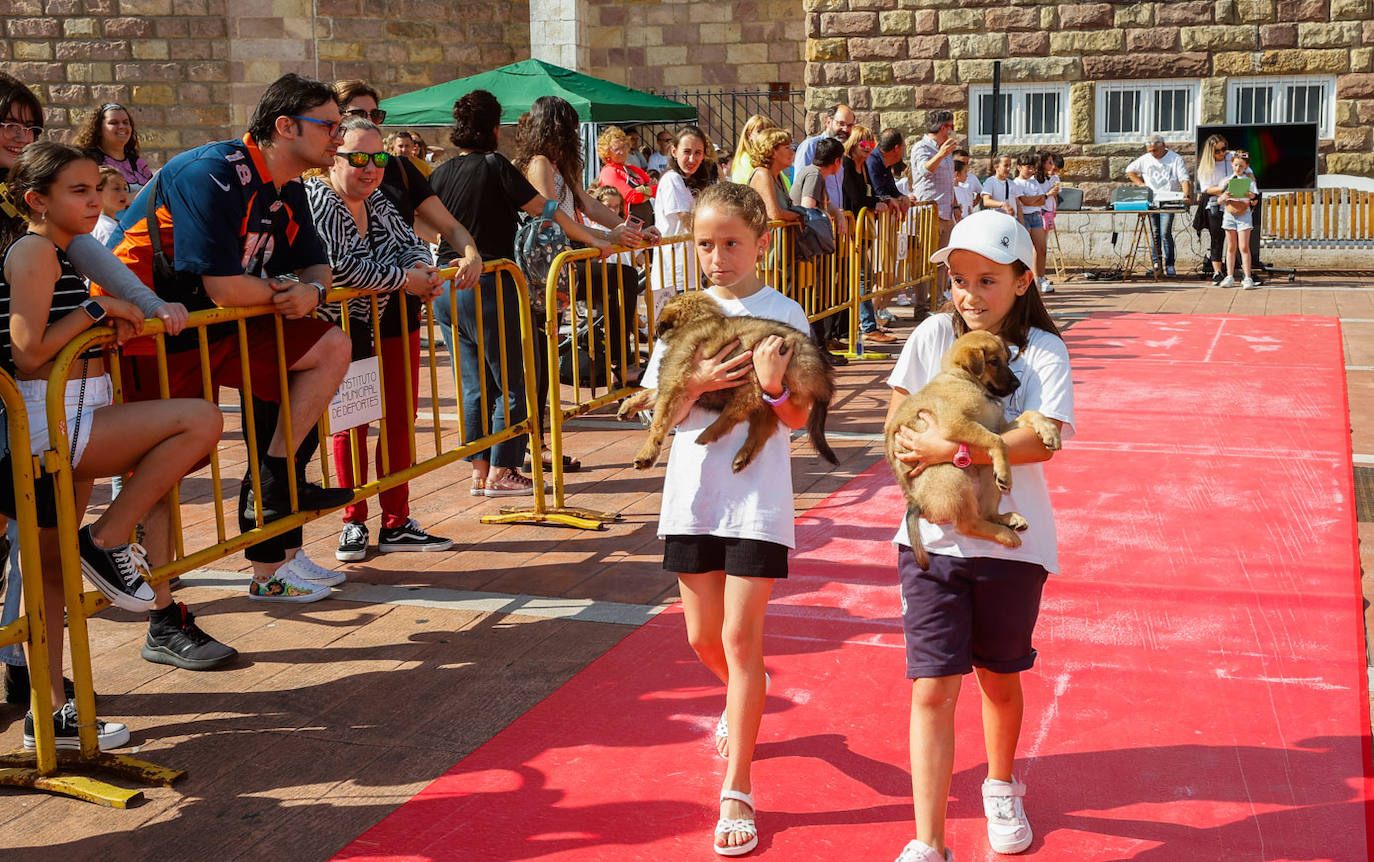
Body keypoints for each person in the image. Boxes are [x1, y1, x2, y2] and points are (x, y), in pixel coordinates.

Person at [109, 72, 356, 613]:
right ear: (285, 126)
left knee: (331, 347)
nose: (339, 138)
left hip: (222, 318)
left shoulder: (289, 184)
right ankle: (157, 604)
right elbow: (222, 286)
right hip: (152, 326)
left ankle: (269, 483)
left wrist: (310, 290)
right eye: (330, 126)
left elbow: (318, 267)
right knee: (164, 466)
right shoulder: (213, 172)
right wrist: (292, 292)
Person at [3, 142, 222, 749]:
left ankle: (51, 716)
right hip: (53, 425)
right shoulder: (34, 252)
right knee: (200, 420)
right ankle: (106, 540)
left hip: (68, 419)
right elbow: (27, 352)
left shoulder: (62, 250)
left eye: (93, 187)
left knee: (48, 576)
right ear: (36, 201)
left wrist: (109, 317)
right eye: (77, 190)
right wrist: (98, 312)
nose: (94, 198)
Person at [886, 209, 1074, 862]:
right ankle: (927, 839)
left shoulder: (1045, 351)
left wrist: (956, 450)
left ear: (1024, 280)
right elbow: (902, 426)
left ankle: (1000, 785)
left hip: (1012, 547)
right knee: (933, 687)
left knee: (999, 676)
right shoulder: (934, 336)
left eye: (987, 280)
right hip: (933, 543)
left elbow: (1041, 441)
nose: (969, 295)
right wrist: (927, 454)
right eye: (959, 280)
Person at [635, 181, 817, 856]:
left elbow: (797, 416)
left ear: (761, 243)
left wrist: (770, 386)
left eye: (731, 243)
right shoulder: (683, 313)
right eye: (705, 244)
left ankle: (737, 788)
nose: (717, 257)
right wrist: (697, 383)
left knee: (741, 642)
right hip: (693, 498)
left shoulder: (785, 314)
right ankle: (752, 694)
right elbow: (662, 408)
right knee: (702, 642)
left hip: (757, 500)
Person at [427, 90, 616, 496]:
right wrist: (594, 239)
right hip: (491, 283)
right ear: (495, 128)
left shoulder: (440, 173)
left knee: (475, 386)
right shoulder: (495, 166)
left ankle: (480, 472)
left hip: (447, 285)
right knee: (514, 383)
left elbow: (424, 228)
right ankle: (503, 471)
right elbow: (547, 211)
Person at [305, 117, 455, 563]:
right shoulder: (320, 199)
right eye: (359, 159)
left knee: (394, 419)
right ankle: (352, 521)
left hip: (375, 326)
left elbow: (409, 243)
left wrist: (422, 272)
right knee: (350, 424)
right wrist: (405, 280)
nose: (371, 169)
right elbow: (341, 268)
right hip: (332, 336)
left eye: (378, 158)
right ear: (334, 158)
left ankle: (395, 520)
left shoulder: (378, 199)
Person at [513, 96, 652, 457]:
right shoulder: (540, 163)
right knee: (538, 355)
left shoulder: (560, 164)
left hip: (565, 261)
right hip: (545, 266)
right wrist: (603, 237)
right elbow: (550, 216)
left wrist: (625, 229)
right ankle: (535, 442)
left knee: (620, 279)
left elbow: (587, 205)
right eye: (569, 127)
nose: (574, 134)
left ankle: (622, 363)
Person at [649, 125, 716, 315]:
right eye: (687, 152)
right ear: (674, 151)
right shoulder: (672, 179)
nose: (692, 159)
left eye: (698, 153)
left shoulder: (690, 181)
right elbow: (687, 219)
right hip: (674, 272)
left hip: (690, 270)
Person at [1125, 133, 1192, 277]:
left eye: (1154, 150)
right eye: (1149, 150)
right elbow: (1129, 170)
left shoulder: (1175, 159)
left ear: (1163, 146)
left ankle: (1170, 265)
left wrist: (1186, 196)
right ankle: (1157, 265)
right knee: (1155, 233)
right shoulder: (1145, 159)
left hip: (1169, 201)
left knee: (1164, 233)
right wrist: (1141, 184)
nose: (1152, 153)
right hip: (1151, 202)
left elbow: (1184, 179)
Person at [909, 110, 959, 297]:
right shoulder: (921, 147)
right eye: (951, 127)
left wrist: (955, 206)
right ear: (943, 127)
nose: (951, 132)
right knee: (925, 260)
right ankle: (922, 304)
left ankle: (937, 299)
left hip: (946, 212)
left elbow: (948, 182)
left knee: (942, 261)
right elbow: (924, 171)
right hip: (928, 213)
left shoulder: (944, 150)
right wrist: (941, 154)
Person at [71, 103, 154, 198]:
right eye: (114, 123)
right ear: (98, 129)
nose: (122, 126)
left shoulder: (138, 163)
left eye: (126, 122)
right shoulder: (89, 162)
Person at [792, 104, 855, 210]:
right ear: (828, 122)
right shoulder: (810, 146)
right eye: (841, 123)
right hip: (816, 220)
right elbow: (800, 185)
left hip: (832, 220)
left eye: (849, 125)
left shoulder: (841, 151)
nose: (845, 129)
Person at [1195, 134, 1235, 285]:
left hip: (1235, 203)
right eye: (1217, 151)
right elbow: (1206, 189)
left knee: (1235, 240)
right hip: (1215, 204)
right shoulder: (1205, 165)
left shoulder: (1231, 157)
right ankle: (1217, 272)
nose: (1221, 153)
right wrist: (1222, 189)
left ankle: (1239, 270)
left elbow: (1246, 171)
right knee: (1217, 238)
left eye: (1224, 149)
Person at [1217, 149, 1260, 290]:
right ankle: (1229, 276)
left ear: (1246, 166)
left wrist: (1251, 196)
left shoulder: (1250, 182)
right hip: (1229, 214)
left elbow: (1255, 200)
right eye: (1235, 165)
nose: (1238, 168)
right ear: (1231, 165)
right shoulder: (1227, 181)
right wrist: (1223, 197)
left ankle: (1247, 277)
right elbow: (1219, 199)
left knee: (1243, 247)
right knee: (1231, 246)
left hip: (1244, 215)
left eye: (1241, 166)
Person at [596, 126, 656, 225]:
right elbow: (632, 197)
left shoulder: (632, 168)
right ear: (607, 153)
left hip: (646, 224)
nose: (622, 152)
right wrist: (649, 192)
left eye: (624, 147)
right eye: (616, 149)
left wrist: (644, 190)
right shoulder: (609, 172)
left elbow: (658, 189)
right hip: (625, 227)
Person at [1011, 152, 1052, 295]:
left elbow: (1042, 200)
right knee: (1026, 250)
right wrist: (1035, 199)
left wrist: (1033, 199)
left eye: (1032, 167)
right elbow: (1024, 201)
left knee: (1041, 248)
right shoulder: (1016, 183)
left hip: (1036, 216)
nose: (1030, 170)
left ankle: (1040, 278)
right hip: (1024, 217)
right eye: (1027, 167)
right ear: (1019, 167)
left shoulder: (1034, 182)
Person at [746, 128, 800, 227]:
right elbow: (774, 214)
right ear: (772, 151)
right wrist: (801, 216)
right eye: (787, 148)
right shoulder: (763, 174)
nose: (792, 152)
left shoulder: (778, 175)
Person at [729, 115, 789, 191]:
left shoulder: (768, 160)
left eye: (768, 131)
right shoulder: (746, 161)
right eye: (759, 131)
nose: (765, 135)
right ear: (749, 135)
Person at [92, 165, 127, 245]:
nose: (124, 194)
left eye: (125, 188)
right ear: (97, 192)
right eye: (116, 188)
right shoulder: (107, 230)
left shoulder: (102, 224)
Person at [951, 149, 982, 224]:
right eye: (962, 162)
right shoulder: (948, 189)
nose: (966, 164)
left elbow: (980, 192)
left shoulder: (970, 180)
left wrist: (971, 205)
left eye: (967, 162)